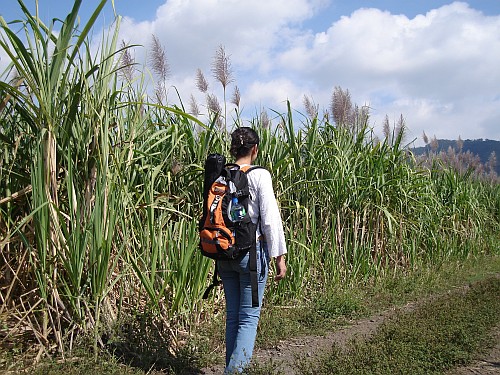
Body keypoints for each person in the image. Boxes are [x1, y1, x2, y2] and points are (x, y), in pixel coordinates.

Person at [217, 126, 287, 374]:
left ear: (233, 148)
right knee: (248, 320)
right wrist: (279, 256)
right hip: (252, 256)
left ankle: (231, 368)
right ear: (255, 149)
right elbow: (270, 219)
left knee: (233, 318)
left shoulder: (221, 175)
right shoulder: (260, 175)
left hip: (224, 255)